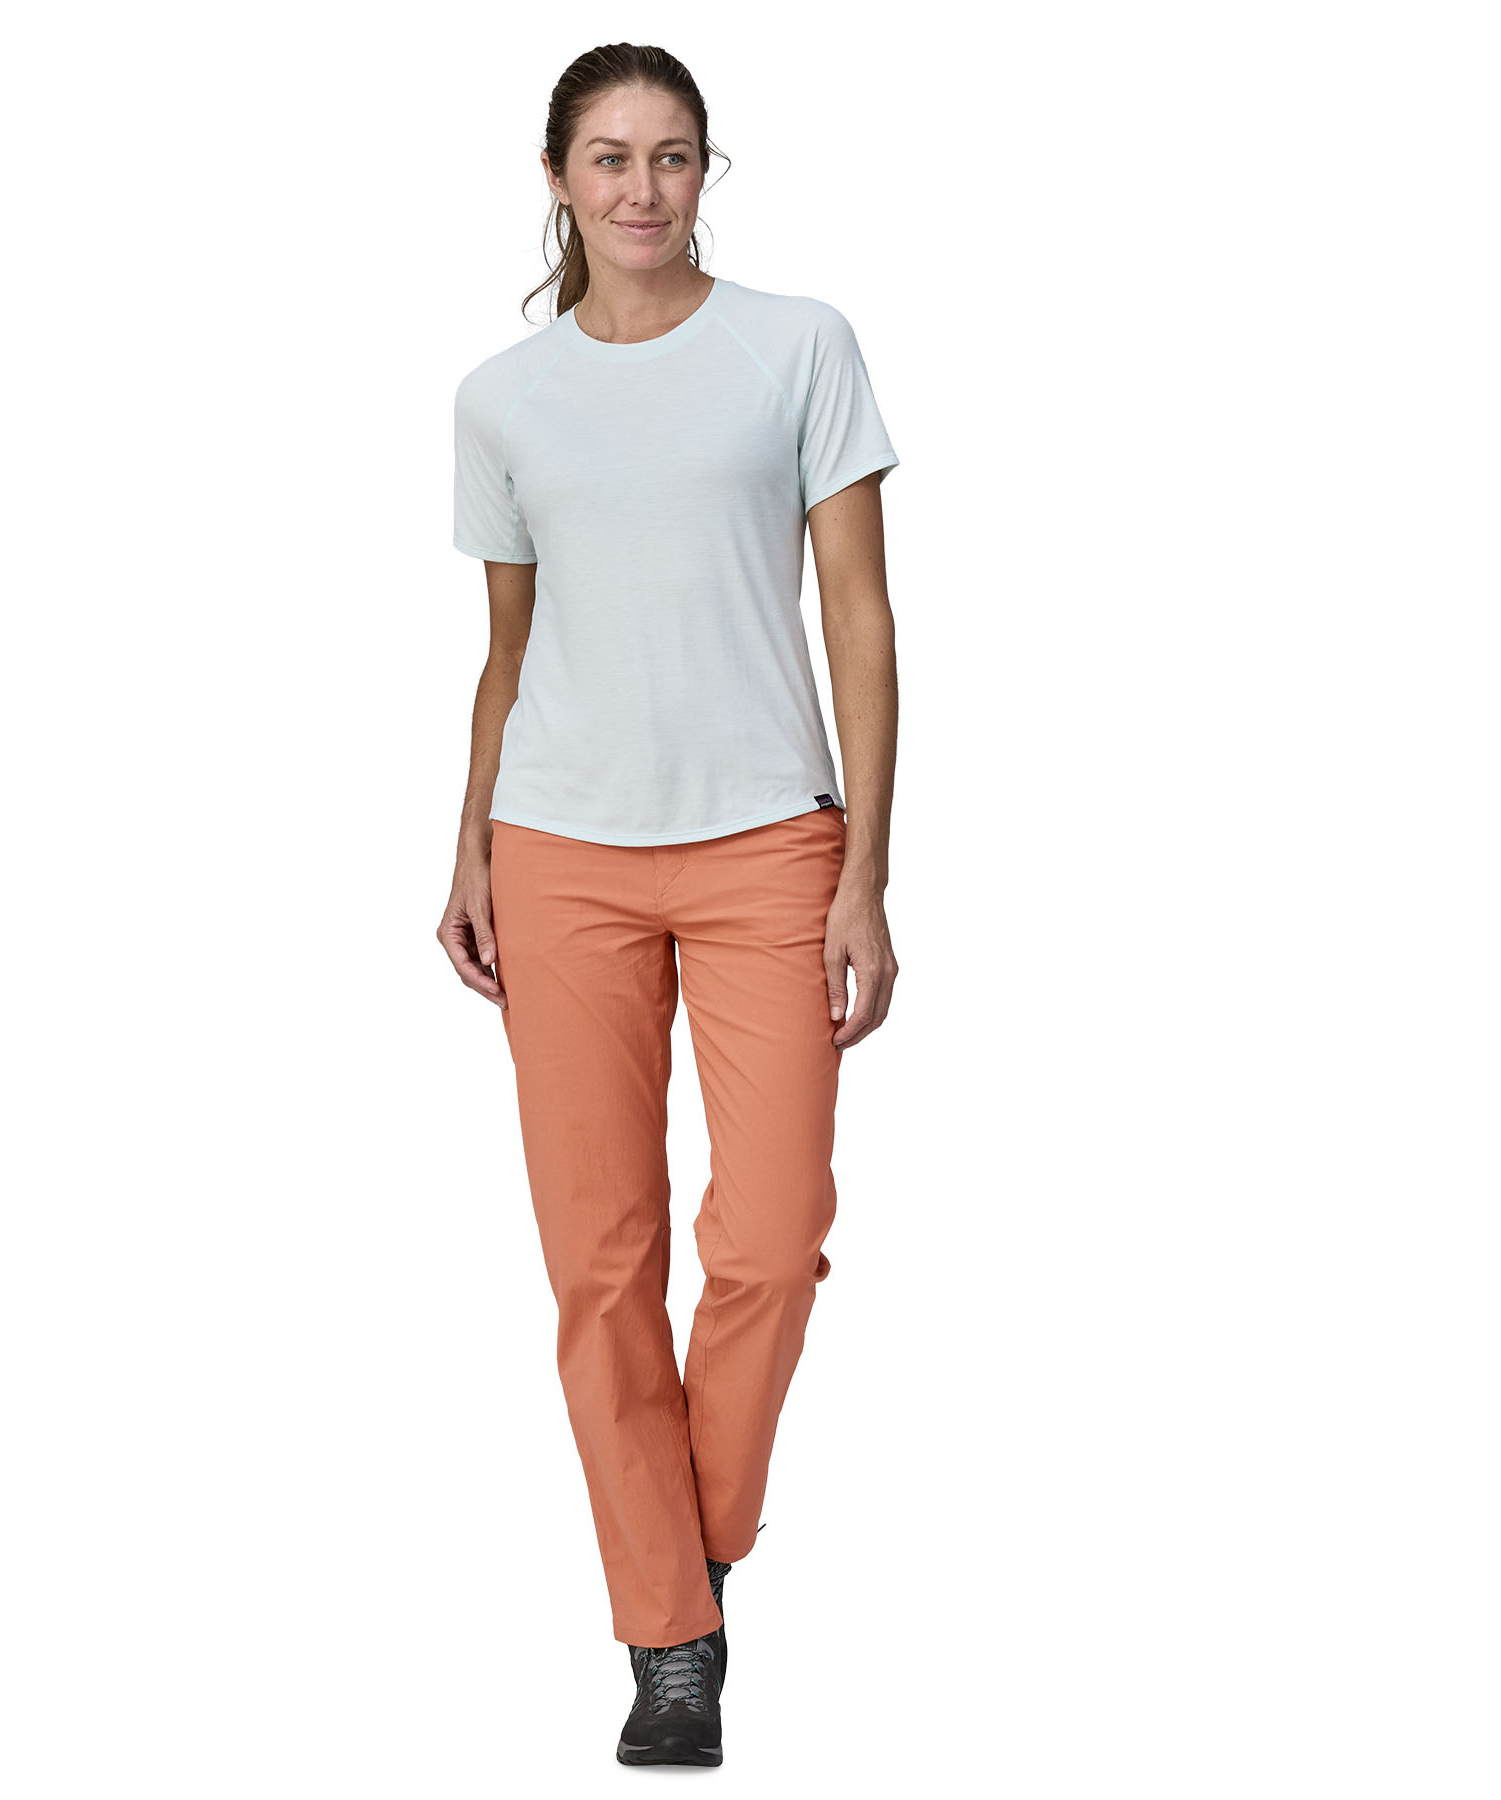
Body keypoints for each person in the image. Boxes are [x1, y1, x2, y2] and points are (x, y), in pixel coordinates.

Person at [438, 42, 901, 1769]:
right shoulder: (503, 398)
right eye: (612, 158)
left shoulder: (800, 346)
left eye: (675, 157)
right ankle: (669, 1644)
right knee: (601, 1255)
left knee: (771, 1236)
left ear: (709, 172)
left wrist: (867, 870)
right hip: (558, 847)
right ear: (558, 177)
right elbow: (508, 652)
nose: (644, 189)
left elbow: (859, 617)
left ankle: (685, 1543)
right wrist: (468, 847)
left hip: (769, 841)